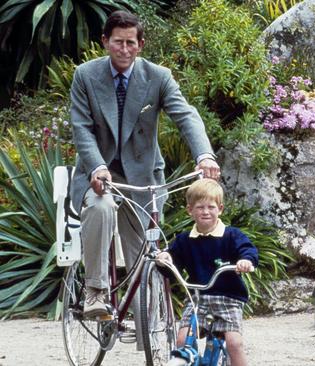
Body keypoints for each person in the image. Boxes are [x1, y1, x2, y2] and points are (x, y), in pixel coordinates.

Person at [69, 9, 220, 340]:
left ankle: (144, 320)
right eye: (118, 42)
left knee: (143, 245)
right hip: (100, 172)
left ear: (141, 45)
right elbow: (80, 128)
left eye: (131, 43)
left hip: (142, 176)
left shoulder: (158, 77)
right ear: (105, 42)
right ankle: (96, 290)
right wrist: (96, 166)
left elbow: (186, 115)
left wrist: (204, 155)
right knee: (101, 207)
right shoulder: (85, 76)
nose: (124, 49)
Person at [156, 179, 258, 366]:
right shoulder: (185, 239)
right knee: (182, 340)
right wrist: (165, 258)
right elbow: (173, 259)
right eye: (200, 207)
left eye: (211, 207)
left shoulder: (231, 235)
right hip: (197, 297)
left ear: (220, 209)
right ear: (190, 210)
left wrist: (245, 261)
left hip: (228, 298)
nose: (205, 212)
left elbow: (247, 249)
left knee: (234, 343)